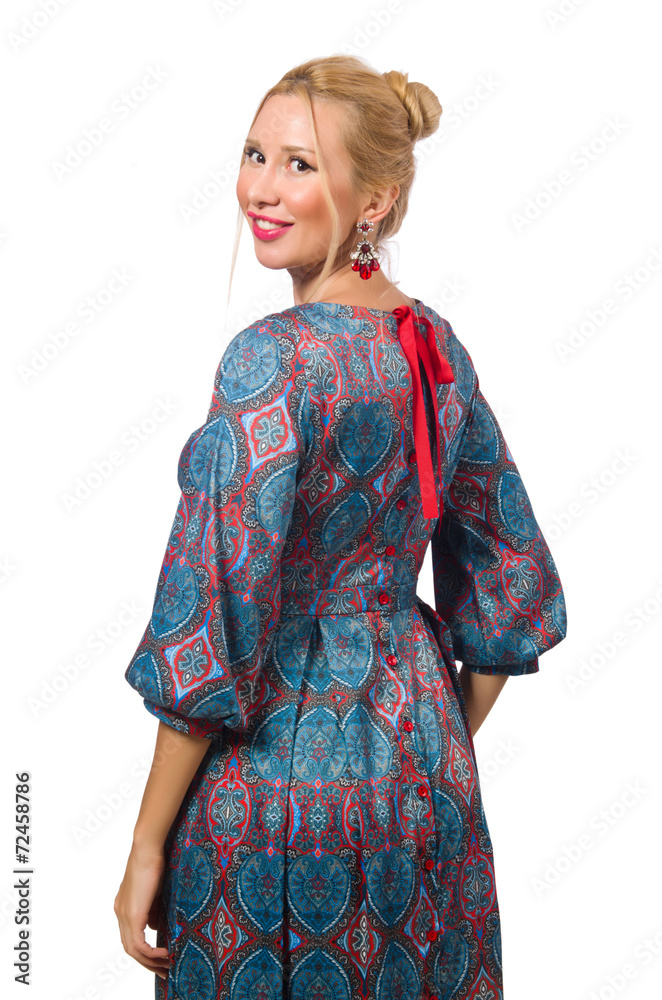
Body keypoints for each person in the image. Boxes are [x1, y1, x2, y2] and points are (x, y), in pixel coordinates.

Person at [114, 54, 567, 1000]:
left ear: (376, 200)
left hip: (272, 793)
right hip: (423, 777)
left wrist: (145, 844)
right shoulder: (435, 348)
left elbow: (211, 619)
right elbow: (510, 579)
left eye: (301, 164)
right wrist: (432, 737)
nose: (262, 189)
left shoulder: (271, 362)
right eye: (255, 155)